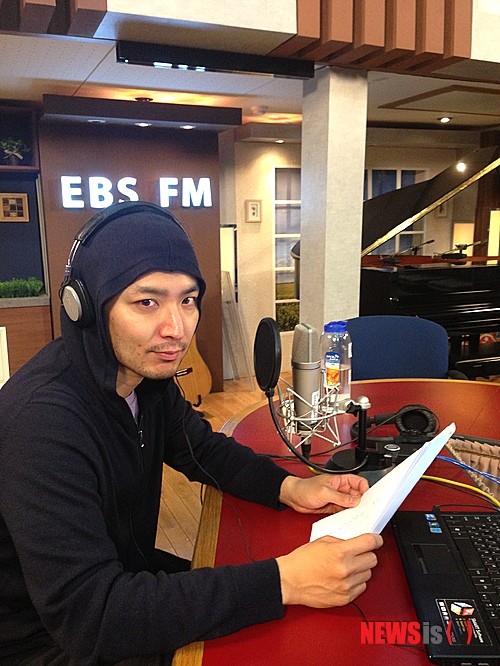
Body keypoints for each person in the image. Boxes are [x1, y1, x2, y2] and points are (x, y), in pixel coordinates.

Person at [0, 201, 383, 665]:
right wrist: (285, 580)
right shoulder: (42, 426)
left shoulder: (145, 380)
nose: (176, 329)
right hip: (46, 640)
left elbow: (202, 449)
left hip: (121, 580)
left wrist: (291, 487)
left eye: (187, 299)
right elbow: (91, 618)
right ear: (86, 308)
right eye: (147, 302)